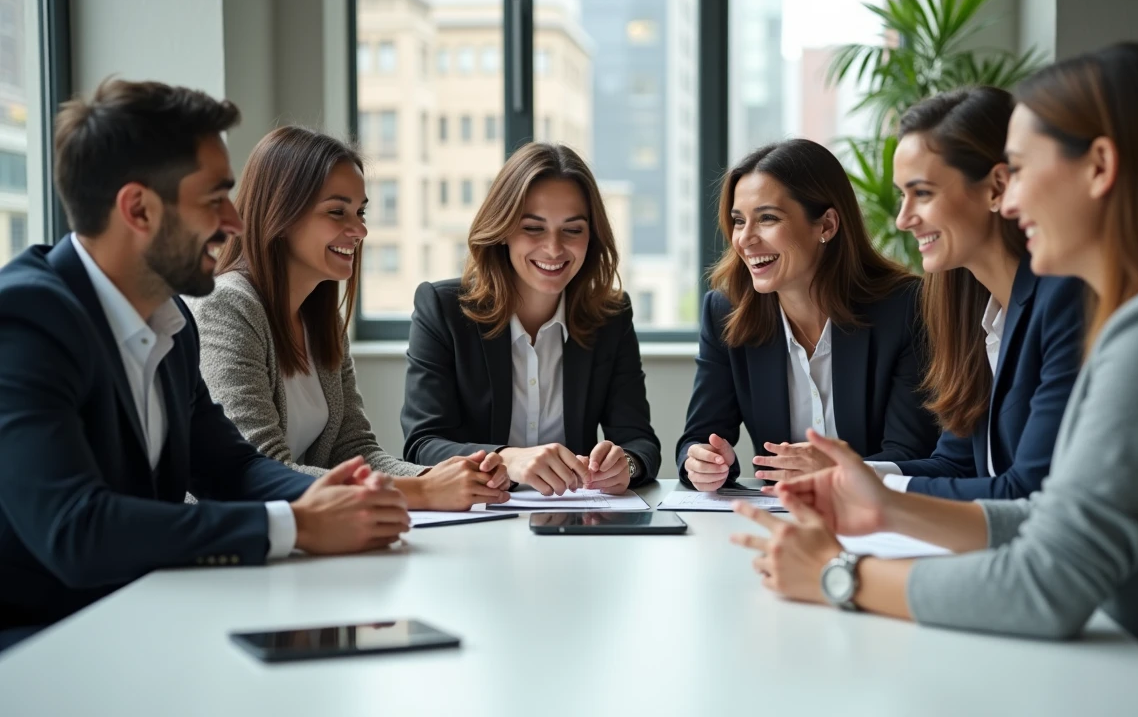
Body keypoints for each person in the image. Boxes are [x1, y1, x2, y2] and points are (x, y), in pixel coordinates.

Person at [731, 43, 1138, 682]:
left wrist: (838, 576)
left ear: (1098, 167)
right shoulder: (1132, 319)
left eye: (1020, 171)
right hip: (1120, 663)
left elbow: (1048, 579)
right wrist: (884, 505)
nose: (1010, 200)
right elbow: (1046, 520)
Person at [0, 80, 409, 652]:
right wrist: (296, 524)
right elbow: (76, 529)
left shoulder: (171, 323)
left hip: (147, 620)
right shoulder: (26, 318)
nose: (235, 221)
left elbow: (230, 468)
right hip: (43, 648)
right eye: (214, 199)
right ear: (138, 209)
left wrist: (338, 495)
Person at [769, 88, 1086, 500]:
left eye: (922, 193)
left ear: (996, 188)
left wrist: (859, 484)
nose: (903, 219)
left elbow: (1026, 490)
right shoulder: (969, 312)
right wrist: (848, 471)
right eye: (903, 195)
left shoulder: (1063, 301)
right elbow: (955, 464)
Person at [192, 126, 509, 510]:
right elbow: (259, 470)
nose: (360, 230)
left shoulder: (321, 322)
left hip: (307, 530)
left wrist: (439, 477)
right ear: (281, 215)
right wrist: (423, 491)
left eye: (360, 212)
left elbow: (354, 450)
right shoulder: (226, 307)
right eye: (336, 212)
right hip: (238, 536)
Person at [676, 139, 940, 491]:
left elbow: (911, 453)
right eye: (739, 221)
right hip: (780, 513)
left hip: (880, 514)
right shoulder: (725, 312)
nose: (745, 239)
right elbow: (698, 437)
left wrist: (837, 472)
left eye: (767, 218)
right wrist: (704, 462)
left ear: (826, 225)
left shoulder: (906, 308)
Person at [401, 142, 660, 495]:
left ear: (591, 236)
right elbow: (422, 443)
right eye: (533, 228)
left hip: (575, 516)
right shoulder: (442, 309)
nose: (554, 248)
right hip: (480, 513)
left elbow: (639, 441)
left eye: (572, 230)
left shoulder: (610, 316)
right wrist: (508, 459)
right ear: (503, 231)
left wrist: (625, 464)